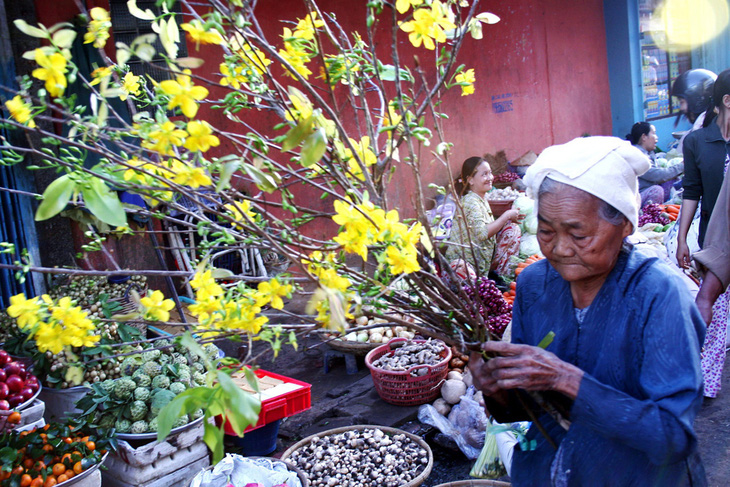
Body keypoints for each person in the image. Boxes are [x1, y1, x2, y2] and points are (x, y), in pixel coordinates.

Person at [468, 137, 707, 486]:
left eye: (578, 235)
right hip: (547, 471)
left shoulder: (658, 295)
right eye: (547, 231)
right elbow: (526, 409)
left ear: (625, 225)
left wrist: (566, 380)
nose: (560, 248)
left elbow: (672, 437)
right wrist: (498, 390)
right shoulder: (534, 285)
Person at [444, 157, 522, 278]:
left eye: (490, 173)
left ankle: (502, 279)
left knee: (512, 230)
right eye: (484, 174)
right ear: (470, 180)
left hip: (480, 259)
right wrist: (506, 215)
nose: (490, 177)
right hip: (465, 265)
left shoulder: (481, 198)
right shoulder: (470, 201)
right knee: (462, 270)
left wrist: (509, 220)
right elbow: (482, 233)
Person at [627, 121, 684, 206]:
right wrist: (682, 166)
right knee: (657, 191)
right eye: (653, 133)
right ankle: (648, 215)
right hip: (635, 198)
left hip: (645, 191)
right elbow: (658, 175)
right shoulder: (637, 156)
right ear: (644, 137)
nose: (656, 137)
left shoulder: (648, 153)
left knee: (672, 179)